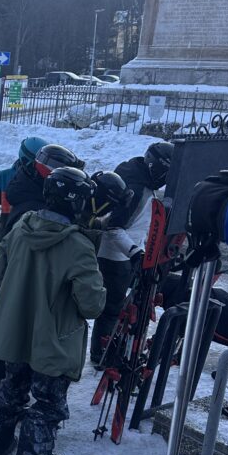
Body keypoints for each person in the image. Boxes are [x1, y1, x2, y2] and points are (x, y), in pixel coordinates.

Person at [0, 166, 105, 455]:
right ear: (76, 203)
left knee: (11, 387)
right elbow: (92, 305)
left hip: (14, 331)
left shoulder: (22, 227)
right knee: (48, 403)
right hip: (53, 339)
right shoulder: (78, 246)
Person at [0, 141, 82, 406]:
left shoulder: (28, 184)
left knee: (6, 330)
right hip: (22, 274)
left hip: (17, 272)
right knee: (9, 335)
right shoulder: (33, 203)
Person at [90, 142, 174, 365]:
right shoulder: (137, 188)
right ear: (157, 167)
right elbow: (113, 227)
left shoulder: (138, 178)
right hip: (116, 256)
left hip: (124, 252)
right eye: (165, 174)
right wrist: (136, 252)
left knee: (119, 306)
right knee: (112, 307)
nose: (165, 180)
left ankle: (107, 349)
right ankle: (101, 354)